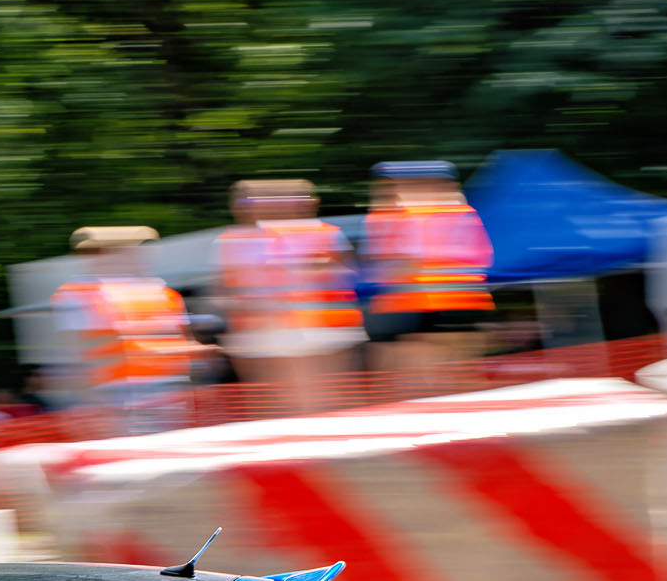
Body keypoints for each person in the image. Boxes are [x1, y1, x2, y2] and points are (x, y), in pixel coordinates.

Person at [216, 180, 364, 409]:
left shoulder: (322, 233)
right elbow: (228, 288)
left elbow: (347, 277)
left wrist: (318, 270)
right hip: (265, 333)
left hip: (315, 330)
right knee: (281, 400)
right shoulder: (236, 239)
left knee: (314, 397)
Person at [50, 226, 199, 433]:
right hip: (115, 394)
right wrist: (91, 403)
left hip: (166, 390)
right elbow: (75, 353)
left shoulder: (162, 293)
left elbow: (180, 342)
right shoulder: (78, 294)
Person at [361, 160, 495, 370]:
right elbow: (484, 258)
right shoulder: (460, 213)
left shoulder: (420, 214)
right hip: (432, 304)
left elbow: (408, 261)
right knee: (448, 366)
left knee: (435, 366)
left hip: (435, 304)